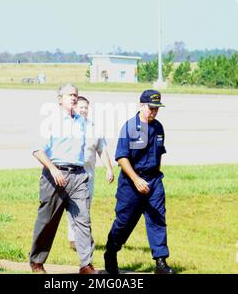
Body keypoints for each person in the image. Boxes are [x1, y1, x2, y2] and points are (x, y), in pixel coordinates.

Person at [104, 89, 175, 275]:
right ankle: (111, 253)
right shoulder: (129, 127)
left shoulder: (158, 127)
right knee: (124, 222)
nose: (154, 112)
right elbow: (121, 157)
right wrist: (136, 179)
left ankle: (160, 262)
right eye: (151, 108)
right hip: (131, 183)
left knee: (157, 219)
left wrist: (155, 178)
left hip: (153, 181)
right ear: (141, 105)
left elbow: (159, 154)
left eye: (157, 109)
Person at [29, 83, 97, 274]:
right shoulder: (50, 122)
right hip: (54, 176)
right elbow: (37, 150)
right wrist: (53, 169)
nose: (74, 98)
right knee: (47, 221)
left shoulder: (81, 122)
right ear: (60, 99)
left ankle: (86, 264)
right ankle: (37, 261)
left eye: (76, 95)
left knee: (83, 219)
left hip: (78, 175)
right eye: (70, 95)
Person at [67, 96, 114, 250]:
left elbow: (102, 149)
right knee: (73, 205)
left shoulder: (94, 128)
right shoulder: (67, 126)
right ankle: (76, 238)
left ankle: (79, 237)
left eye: (86, 107)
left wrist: (108, 168)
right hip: (70, 173)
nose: (84, 110)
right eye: (81, 107)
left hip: (88, 174)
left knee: (85, 206)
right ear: (74, 108)